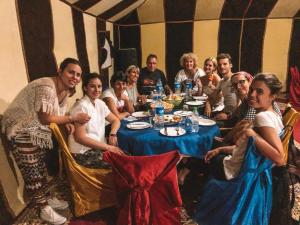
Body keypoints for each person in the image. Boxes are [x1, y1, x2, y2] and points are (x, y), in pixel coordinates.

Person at [1, 58, 91, 224]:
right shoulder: (47, 86)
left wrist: (68, 123)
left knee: (40, 168)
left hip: (36, 130)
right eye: (71, 72)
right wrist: (72, 118)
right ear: (60, 70)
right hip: (20, 127)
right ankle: (43, 209)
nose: (75, 77)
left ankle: (47, 199)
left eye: (78, 75)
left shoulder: (65, 91)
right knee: (32, 170)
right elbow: (45, 118)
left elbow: (58, 116)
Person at [204, 73, 284, 180]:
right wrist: (220, 149)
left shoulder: (262, 117)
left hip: (235, 172)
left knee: (203, 155)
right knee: (213, 150)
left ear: (273, 96)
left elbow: (279, 158)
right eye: (252, 90)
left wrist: (250, 133)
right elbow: (246, 149)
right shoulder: (272, 114)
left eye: (259, 92)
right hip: (244, 166)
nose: (252, 94)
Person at [68, 73, 124, 169]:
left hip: (98, 148)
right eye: (92, 86)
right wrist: (108, 147)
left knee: (126, 157)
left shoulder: (100, 103)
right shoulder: (81, 106)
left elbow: (115, 120)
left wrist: (113, 134)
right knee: (121, 165)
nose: (97, 90)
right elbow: (80, 138)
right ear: (85, 88)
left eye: (99, 86)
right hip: (83, 152)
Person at [210, 53, 238, 121]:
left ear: (231, 65)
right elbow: (212, 96)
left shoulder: (237, 79)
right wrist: (208, 104)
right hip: (225, 112)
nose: (222, 67)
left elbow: (243, 102)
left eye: (225, 64)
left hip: (234, 116)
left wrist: (229, 116)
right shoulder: (221, 82)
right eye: (219, 65)